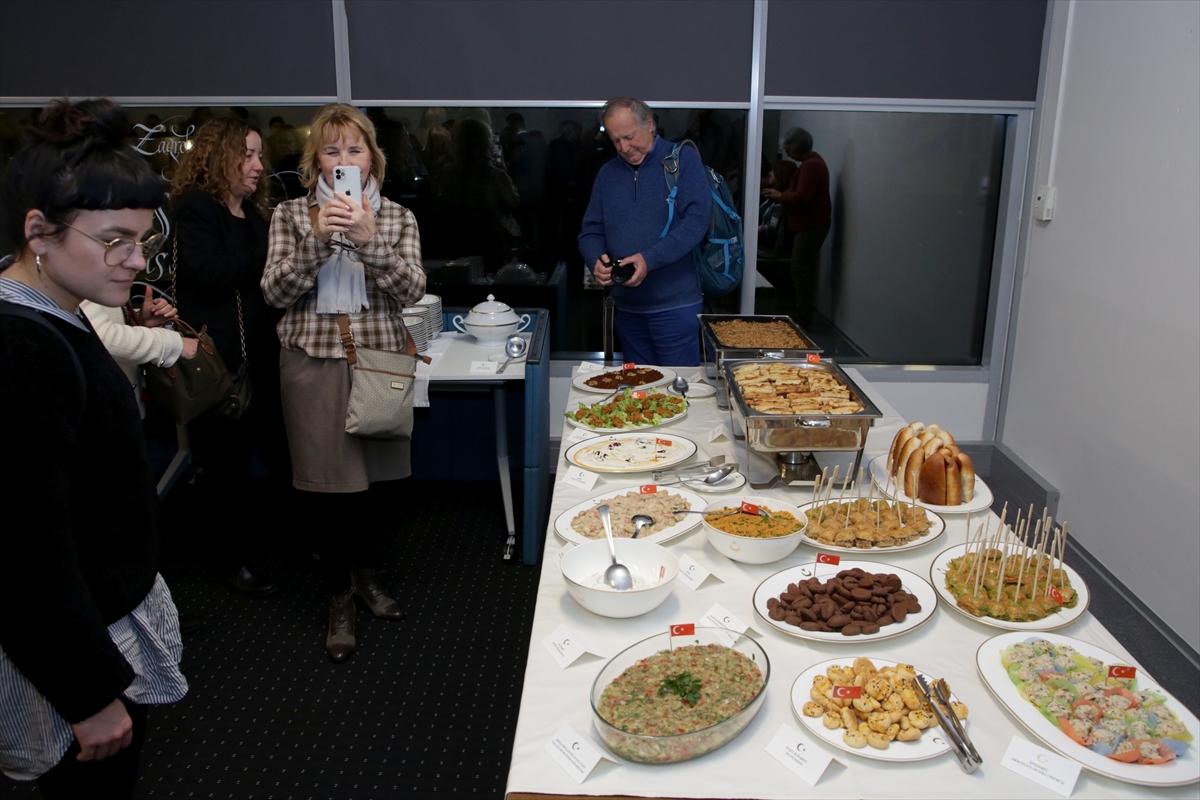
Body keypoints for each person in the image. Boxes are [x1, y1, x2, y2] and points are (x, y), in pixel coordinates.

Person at [0, 98, 187, 798]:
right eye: (114, 240)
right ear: (38, 233)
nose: (135, 260)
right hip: (76, 652)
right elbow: (25, 551)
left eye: (142, 240)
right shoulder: (23, 346)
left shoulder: (58, 314)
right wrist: (88, 695)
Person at [261, 104, 426, 663]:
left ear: (371, 158)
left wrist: (368, 237)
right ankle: (339, 600)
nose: (343, 160)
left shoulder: (398, 216)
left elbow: (410, 290)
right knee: (325, 493)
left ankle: (367, 577)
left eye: (354, 149)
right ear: (316, 161)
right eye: (331, 150)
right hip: (312, 363)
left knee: (378, 489)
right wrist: (316, 240)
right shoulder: (288, 215)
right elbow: (274, 295)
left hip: (378, 361)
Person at [169, 116, 289, 596]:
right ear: (221, 157)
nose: (259, 165)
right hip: (220, 366)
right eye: (249, 155)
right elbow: (213, 272)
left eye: (260, 155)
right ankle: (229, 561)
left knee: (281, 456)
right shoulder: (198, 209)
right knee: (225, 469)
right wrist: (269, 253)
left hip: (262, 358)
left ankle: (290, 545)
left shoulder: (256, 216)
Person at [578, 97, 711, 366]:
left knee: (678, 393)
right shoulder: (607, 173)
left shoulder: (683, 160)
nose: (623, 148)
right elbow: (590, 231)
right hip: (627, 308)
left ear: (649, 124)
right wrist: (596, 260)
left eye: (629, 137)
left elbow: (697, 222)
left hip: (675, 307)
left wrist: (648, 260)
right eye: (615, 140)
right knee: (639, 394)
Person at [762, 127, 830, 327]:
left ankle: (802, 315)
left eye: (787, 148)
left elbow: (802, 197)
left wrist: (779, 196)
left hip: (809, 225)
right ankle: (801, 312)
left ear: (794, 146)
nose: (786, 153)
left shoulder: (811, 166)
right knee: (800, 269)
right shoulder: (812, 164)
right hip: (809, 224)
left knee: (800, 269)